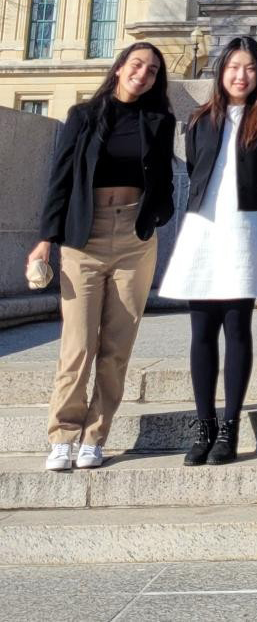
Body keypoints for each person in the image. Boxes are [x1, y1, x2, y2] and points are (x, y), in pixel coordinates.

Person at [27, 43, 176, 471]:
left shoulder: (159, 120)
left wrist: (156, 215)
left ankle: (95, 436)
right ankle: (62, 435)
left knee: (117, 346)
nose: (142, 74)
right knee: (77, 345)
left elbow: (163, 176)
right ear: (118, 69)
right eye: (136, 65)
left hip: (134, 237)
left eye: (151, 71)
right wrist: (45, 240)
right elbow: (60, 178)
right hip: (84, 236)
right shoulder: (84, 116)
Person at [159, 36, 257, 467]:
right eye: (233, 67)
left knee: (237, 328)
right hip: (203, 228)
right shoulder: (201, 119)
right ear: (222, 71)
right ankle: (204, 424)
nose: (241, 75)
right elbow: (196, 172)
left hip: (245, 227)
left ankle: (229, 426)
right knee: (201, 331)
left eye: (249, 67)